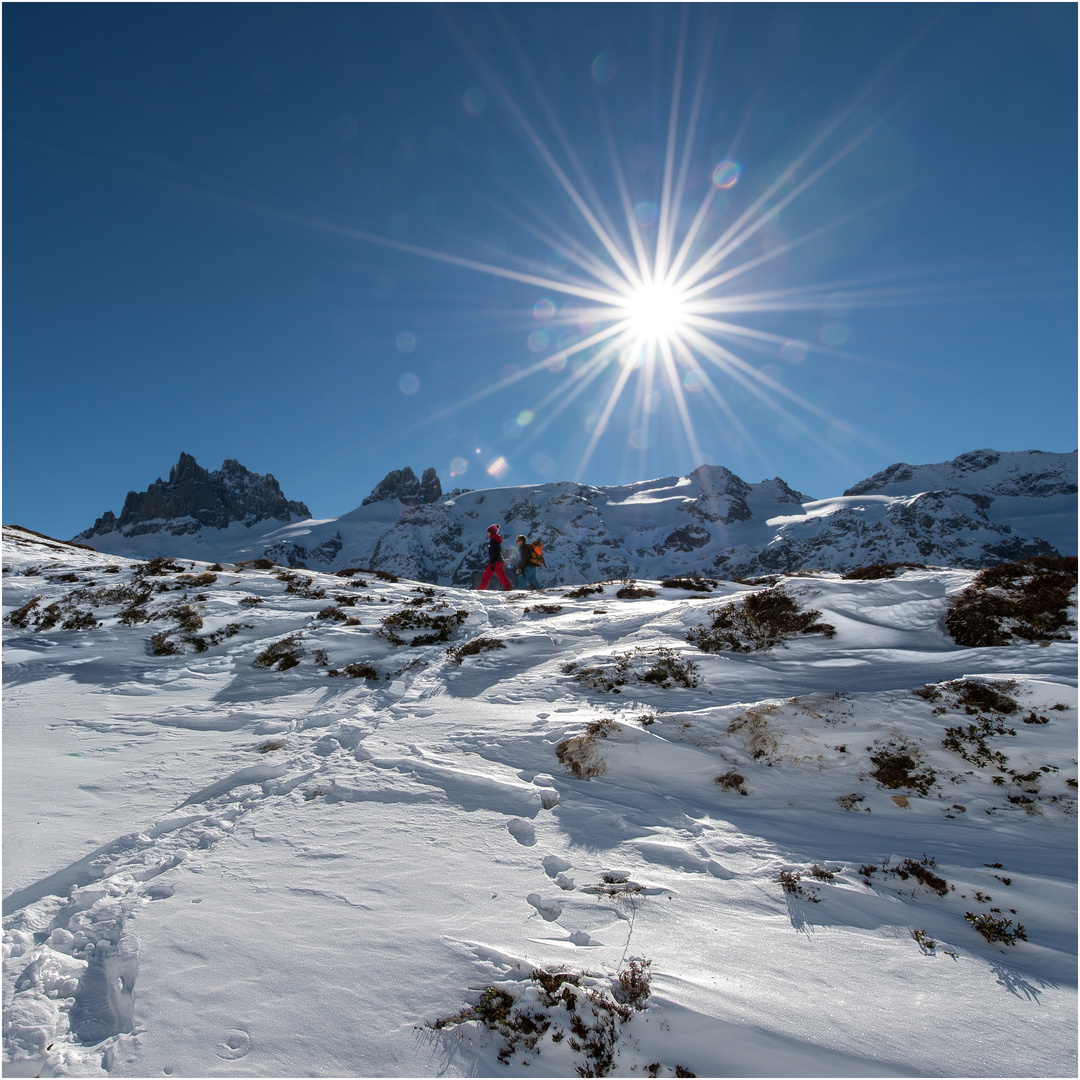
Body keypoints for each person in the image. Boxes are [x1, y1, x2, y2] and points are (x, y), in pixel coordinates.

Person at [478, 524, 513, 591]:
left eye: (488, 532)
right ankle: (508, 589)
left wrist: (493, 563)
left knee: (485, 577)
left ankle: (480, 590)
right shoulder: (496, 540)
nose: (487, 534)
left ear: (491, 533)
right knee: (502, 577)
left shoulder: (493, 541)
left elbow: (494, 552)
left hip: (495, 562)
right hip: (500, 562)